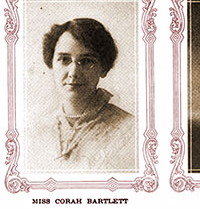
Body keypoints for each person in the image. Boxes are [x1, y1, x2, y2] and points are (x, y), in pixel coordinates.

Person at [26, 18, 137, 172]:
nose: (73, 73)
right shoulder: (35, 130)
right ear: (52, 64)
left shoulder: (131, 130)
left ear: (103, 68)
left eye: (86, 61)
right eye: (64, 60)